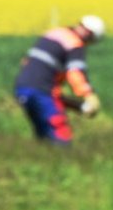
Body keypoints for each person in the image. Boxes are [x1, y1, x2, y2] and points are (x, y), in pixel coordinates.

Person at [13, 15, 105, 144]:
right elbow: (75, 73)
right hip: (42, 91)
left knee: (43, 134)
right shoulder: (74, 43)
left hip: (22, 88)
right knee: (60, 135)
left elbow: (29, 62)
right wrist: (88, 94)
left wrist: (76, 105)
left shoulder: (55, 33)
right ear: (90, 36)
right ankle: (63, 161)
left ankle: (43, 161)